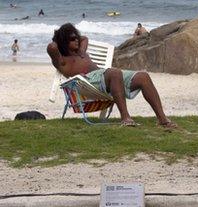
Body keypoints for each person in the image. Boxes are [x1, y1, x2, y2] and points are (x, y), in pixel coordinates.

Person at [47, 23, 176, 128]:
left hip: (104, 76)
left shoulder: (81, 51)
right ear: (64, 41)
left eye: (76, 37)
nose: (76, 40)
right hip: (85, 82)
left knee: (143, 76)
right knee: (114, 72)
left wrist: (78, 46)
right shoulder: (62, 60)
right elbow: (51, 47)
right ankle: (125, 118)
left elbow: (84, 38)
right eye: (72, 39)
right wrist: (60, 37)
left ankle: (162, 119)